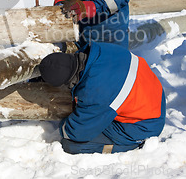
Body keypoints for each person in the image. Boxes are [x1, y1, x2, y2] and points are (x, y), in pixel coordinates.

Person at [38, 41, 166, 154]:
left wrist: (63, 126)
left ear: (69, 81)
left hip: (144, 126)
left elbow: (78, 132)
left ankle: (131, 144)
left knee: (70, 145)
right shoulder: (98, 49)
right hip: (152, 95)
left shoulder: (97, 93)